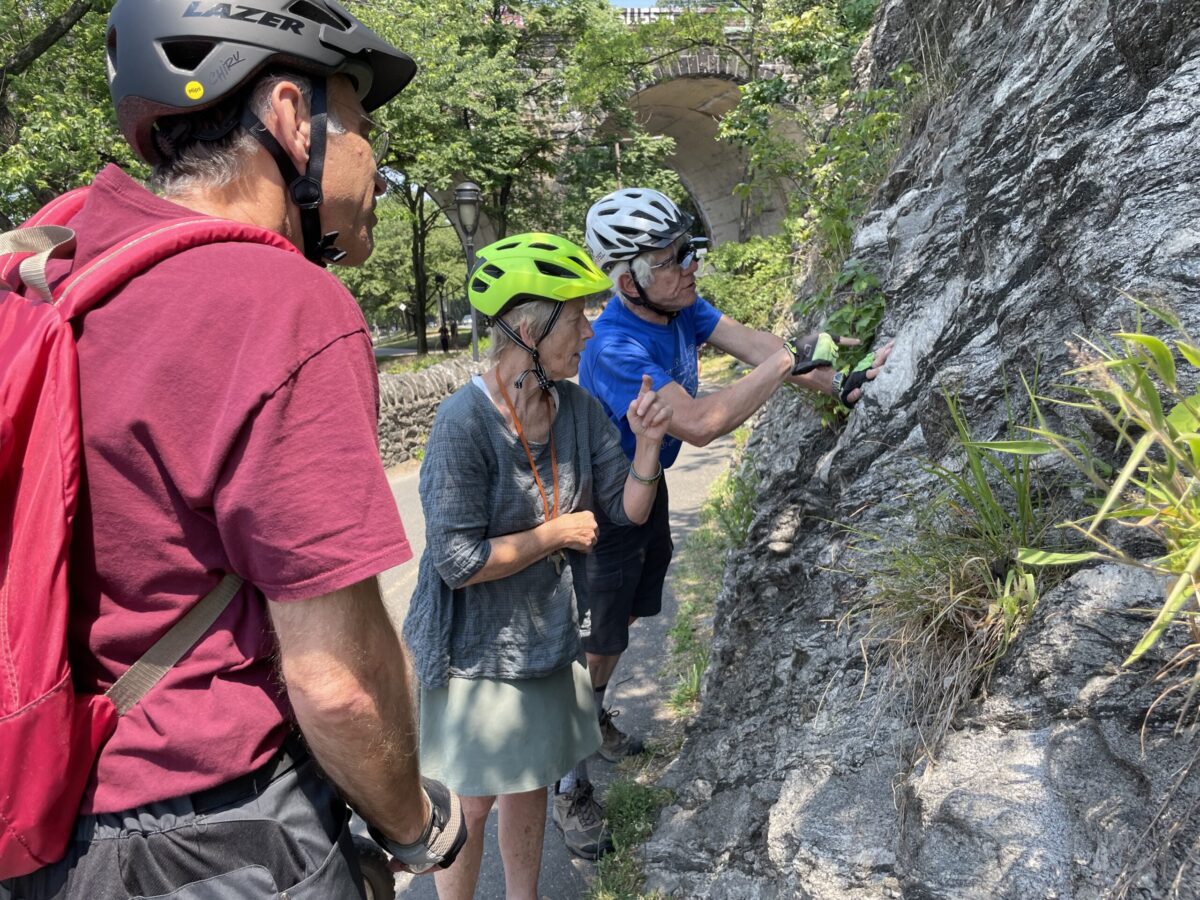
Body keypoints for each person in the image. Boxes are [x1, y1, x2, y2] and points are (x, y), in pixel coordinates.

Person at [0, 2, 466, 898]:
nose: (376, 163)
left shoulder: (58, 271)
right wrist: (415, 824)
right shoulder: (276, 301)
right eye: (364, 127)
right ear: (293, 117)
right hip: (222, 840)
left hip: (50, 825)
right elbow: (337, 679)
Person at [578, 187, 894, 760]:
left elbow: (758, 347)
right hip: (605, 501)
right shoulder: (613, 348)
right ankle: (568, 771)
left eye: (687, 248)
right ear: (629, 282)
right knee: (600, 633)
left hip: (649, 480)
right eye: (673, 258)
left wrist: (842, 383)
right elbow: (698, 423)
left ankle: (590, 712)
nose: (691, 265)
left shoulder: (679, 304)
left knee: (624, 617)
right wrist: (783, 361)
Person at [403, 233, 673, 896]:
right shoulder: (462, 425)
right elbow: (457, 560)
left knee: (529, 786)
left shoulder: (578, 410)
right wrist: (553, 534)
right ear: (529, 329)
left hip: (545, 639)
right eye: (577, 315)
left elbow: (626, 508)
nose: (589, 329)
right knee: (473, 800)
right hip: (473, 649)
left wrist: (647, 446)